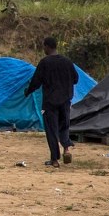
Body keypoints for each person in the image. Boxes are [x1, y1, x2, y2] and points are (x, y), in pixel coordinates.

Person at [25, 36, 79, 168]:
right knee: (64, 126)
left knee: (51, 130)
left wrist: (28, 91)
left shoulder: (45, 62)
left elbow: (36, 81)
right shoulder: (67, 62)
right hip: (65, 101)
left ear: (47, 47)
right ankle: (66, 149)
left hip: (50, 103)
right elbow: (76, 79)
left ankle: (54, 160)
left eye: (44, 46)